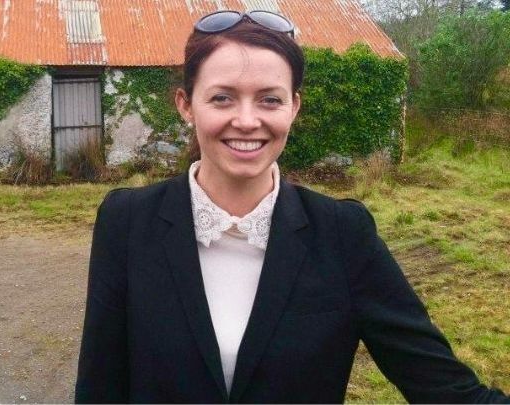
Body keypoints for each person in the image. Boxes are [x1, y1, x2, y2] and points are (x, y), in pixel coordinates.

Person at [74, 10, 509, 404]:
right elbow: (100, 387)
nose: (247, 120)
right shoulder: (127, 221)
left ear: (294, 107)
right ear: (186, 105)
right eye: (222, 97)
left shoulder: (342, 233)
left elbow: (447, 391)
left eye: (270, 99)